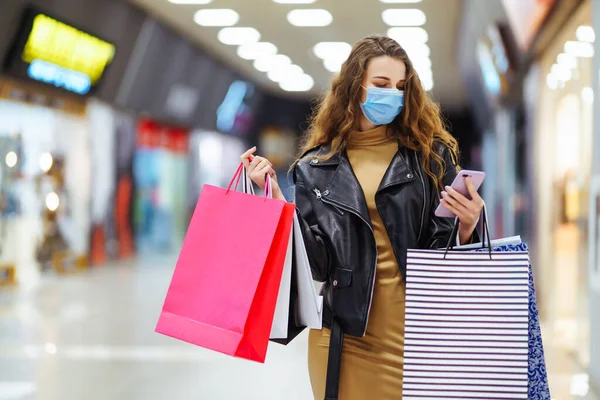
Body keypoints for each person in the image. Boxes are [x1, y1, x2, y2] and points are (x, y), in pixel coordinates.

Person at [241, 34, 484, 400]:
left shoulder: (430, 159)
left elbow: (442, 251)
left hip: (417, 336)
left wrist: (468, 225)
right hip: (342, 339)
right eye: (382, 84)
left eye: (401, 86)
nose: (393, 94)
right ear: (356, 88)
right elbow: (317, 264)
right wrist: (276, 199)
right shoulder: (315, 167)